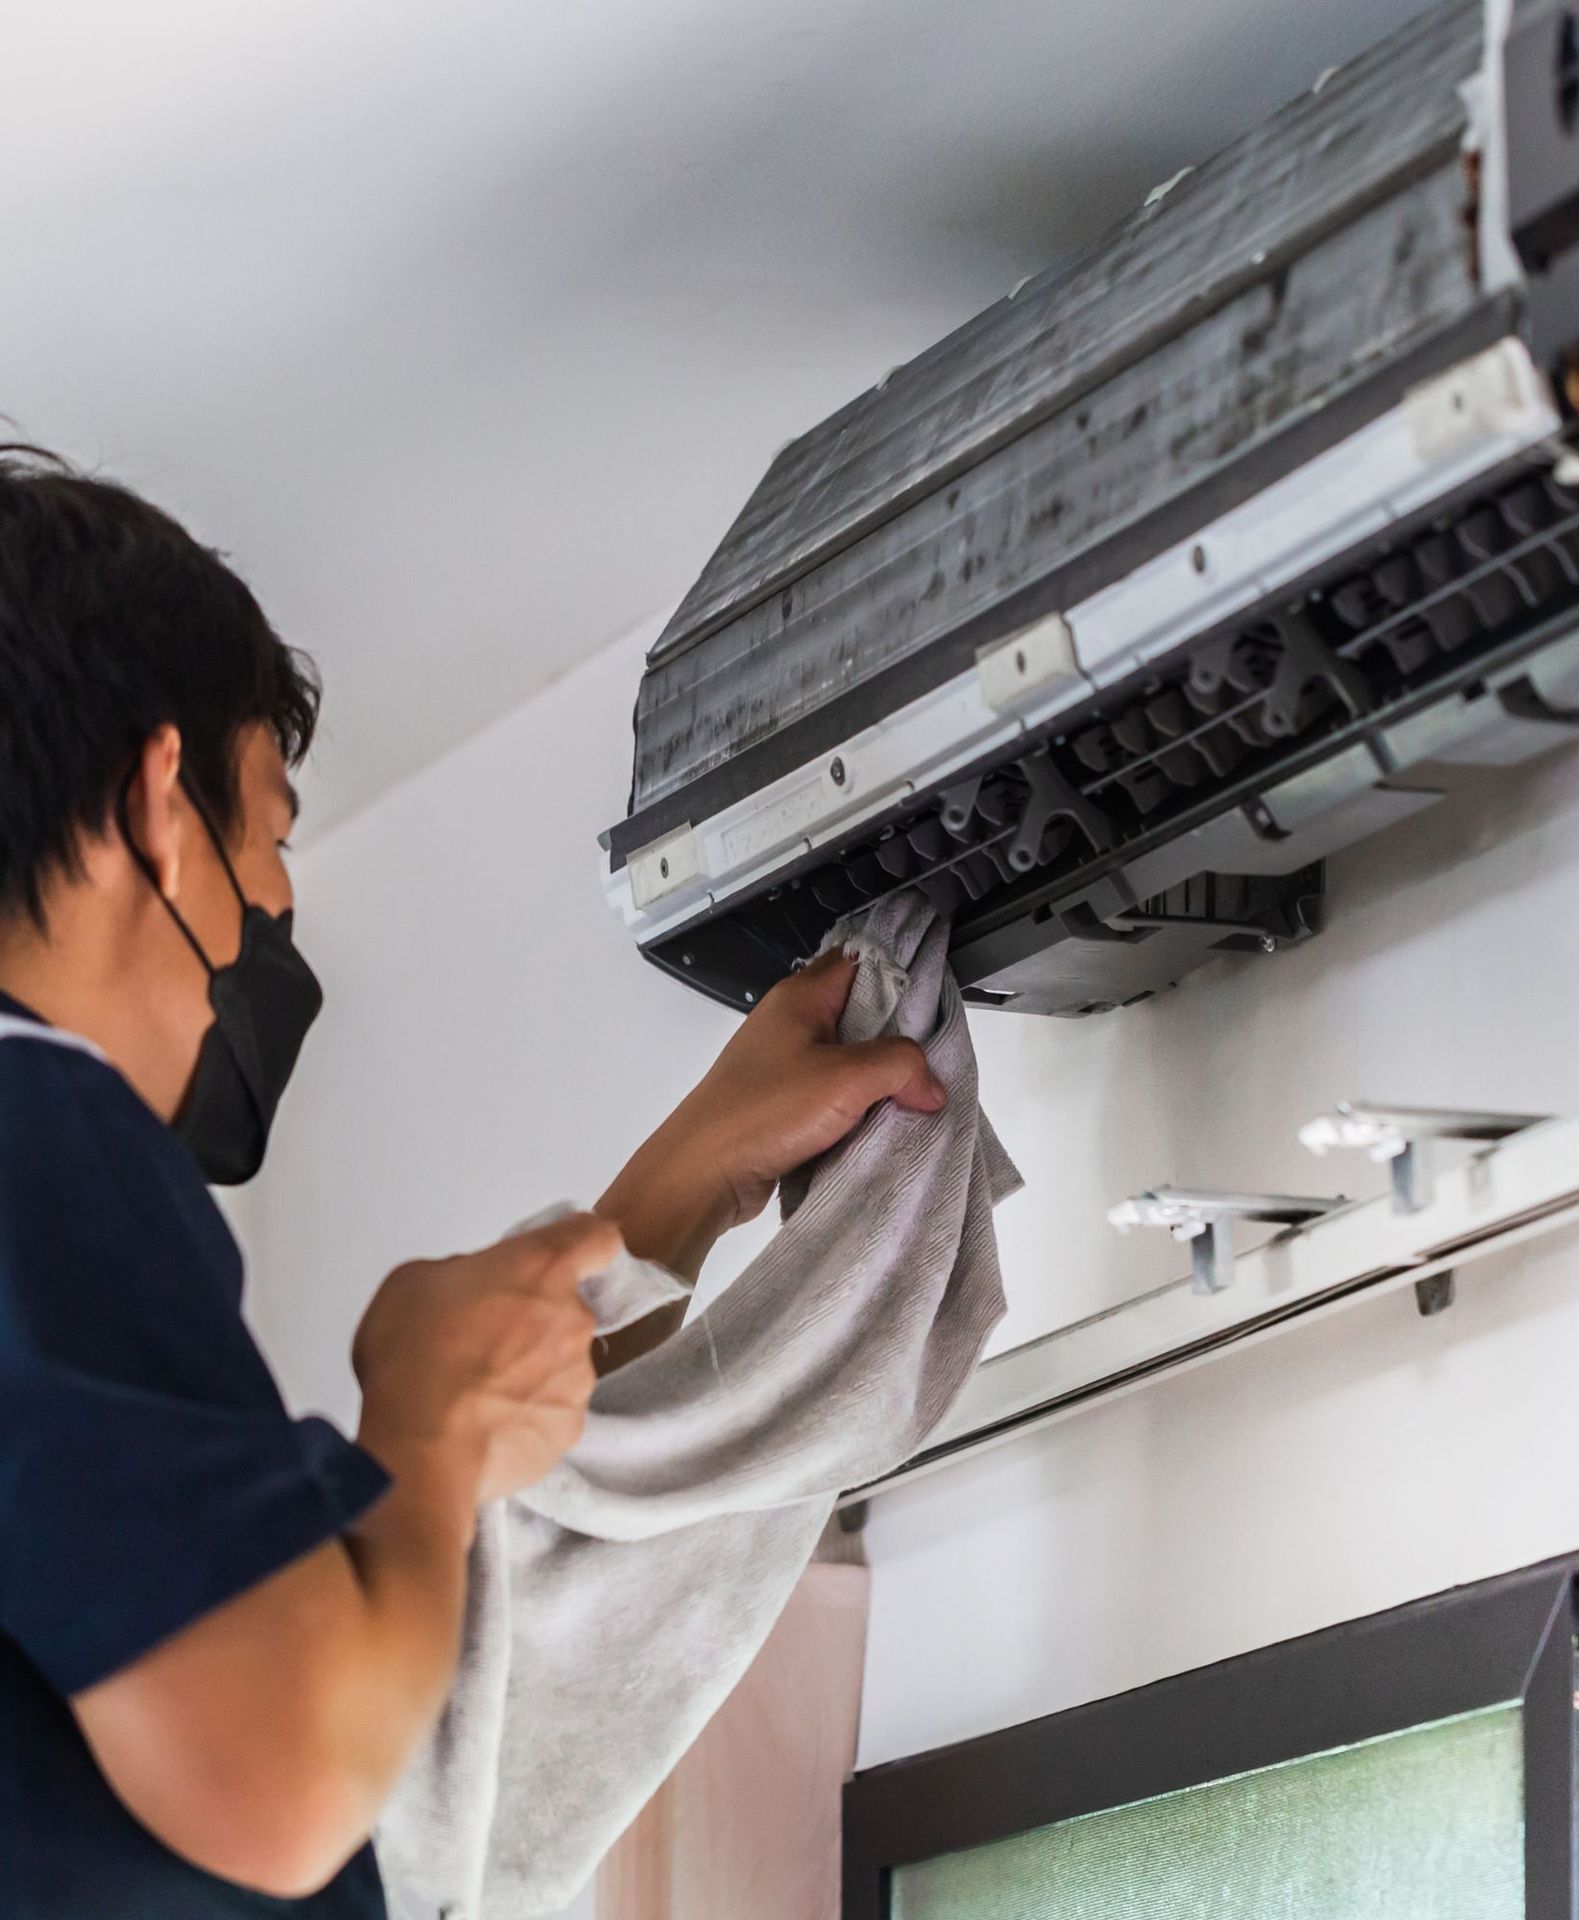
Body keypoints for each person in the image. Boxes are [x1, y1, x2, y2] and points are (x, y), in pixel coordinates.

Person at [0, 448, 946, 1917]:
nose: (279, 902)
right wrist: (425, 1434)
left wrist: (681, 1188)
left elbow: (287, 1631)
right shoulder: (35, 1133)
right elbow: (293, 1772)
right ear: (159, 802)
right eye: (274, 830)